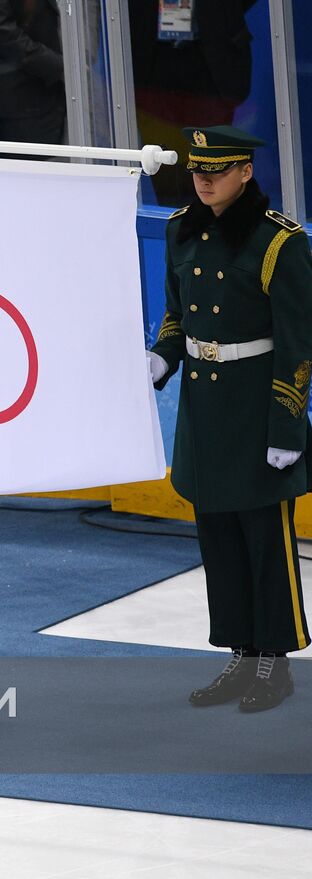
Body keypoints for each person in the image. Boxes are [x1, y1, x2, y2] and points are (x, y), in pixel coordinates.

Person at [147, 125, 312, 712]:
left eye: (217, 171)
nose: (204, 180)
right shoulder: (180, 230)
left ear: (245, 172)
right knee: (218, 539)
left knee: (266, 539)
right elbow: (175, 315)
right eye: (197, 171)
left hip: (255, 408)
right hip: (205, 409)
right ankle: (241, 655)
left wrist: (287, 425)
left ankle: (276, 660)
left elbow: (298, 343)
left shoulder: (278, 242)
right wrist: (161, 359)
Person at [130, 0, 256, 206]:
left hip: (211, 61)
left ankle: (215, 231)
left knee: (214, 171)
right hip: (152, 62)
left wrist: (219, 11)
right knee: (166, 173)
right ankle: (178, 229)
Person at [0, 0, 65, 146]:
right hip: (25, 98)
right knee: (37, 167)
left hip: (66, 87)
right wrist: (59, 67)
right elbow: (3, 35)